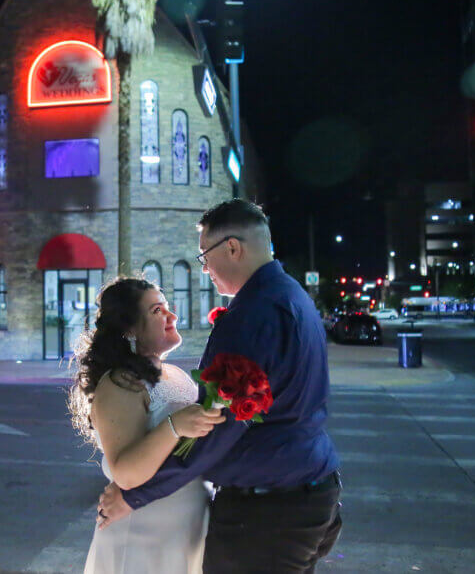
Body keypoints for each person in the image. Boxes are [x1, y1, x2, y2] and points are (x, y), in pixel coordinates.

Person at [97, 199, 343, 573]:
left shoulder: (253, 316)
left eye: (204, 256)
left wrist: (137, 495)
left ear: (232, 247)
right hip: (306, 495)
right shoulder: (293, 297)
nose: (205, 268)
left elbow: (220, 425)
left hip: (267, 516)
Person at [70, 277, 224, 574]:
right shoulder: (120, 382)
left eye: (167, 308)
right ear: (129, 328)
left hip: (185, 531)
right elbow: (125, 473)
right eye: (157, 311)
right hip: (142, 537)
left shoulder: (177, 375)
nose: (172, 317)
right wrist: (175, 426)